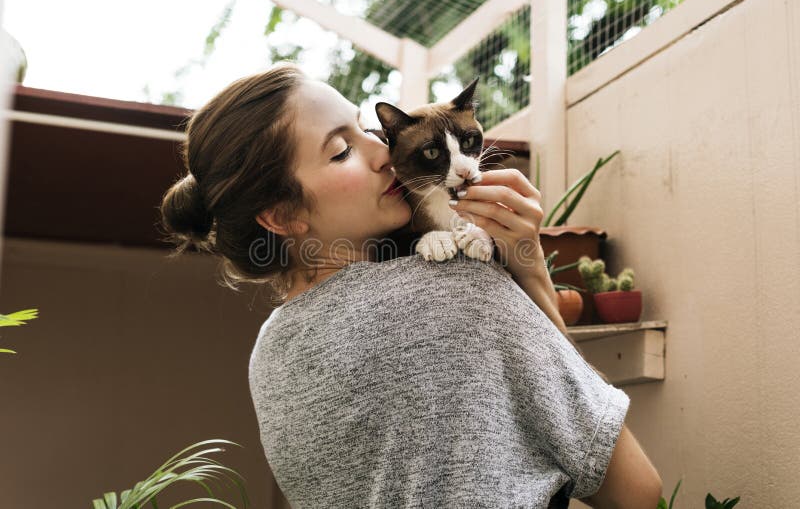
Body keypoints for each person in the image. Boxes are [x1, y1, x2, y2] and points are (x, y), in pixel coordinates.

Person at [159, 62, 662, 508]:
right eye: (340, 151)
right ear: (283, 215)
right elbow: (634, 490)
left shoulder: (269, 352)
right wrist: (528, 268)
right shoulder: (454, 291)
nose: (383, 152)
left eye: (364, 129)